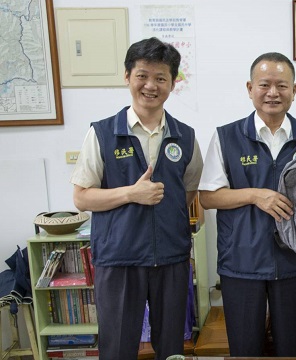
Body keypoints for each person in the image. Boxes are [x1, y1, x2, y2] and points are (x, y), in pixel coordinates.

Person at [70, 37, 203, 360]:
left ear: (172, 83)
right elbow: (82, 198)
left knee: (172, 347)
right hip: (119, 260)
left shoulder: (185, 136)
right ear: (127, 76)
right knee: (117, 347)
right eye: (142, 75)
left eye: (161, 78)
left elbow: (187, 192)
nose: (151, 85)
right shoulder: (102, 133)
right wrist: (132, 193)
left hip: (171, 258)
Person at [198, 52, 296, 356]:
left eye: (282, 86)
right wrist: (256, 195)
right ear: (249, 88)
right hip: (241, 261)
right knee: (245, 349)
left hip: (295, 261)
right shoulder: (226, 136)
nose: (273, 93)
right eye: (264, 84)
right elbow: (208, 196)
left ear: (294, 91)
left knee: (291, 348)